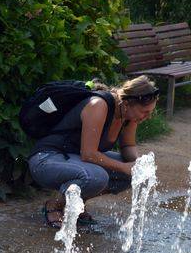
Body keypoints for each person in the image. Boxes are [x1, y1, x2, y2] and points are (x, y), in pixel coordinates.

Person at [29, 76, 159, 229]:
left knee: (135, 174)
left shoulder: (128, 115)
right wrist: (124, 167)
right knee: (97, 177)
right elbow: (89, 154)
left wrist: (137, 164)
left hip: (74, 158)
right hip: (47, 158)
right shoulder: (99, 105)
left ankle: (76, 205)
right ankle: (54, 205)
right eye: (145, 111)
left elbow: (128, 146)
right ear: (127, 102)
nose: (148, 117)